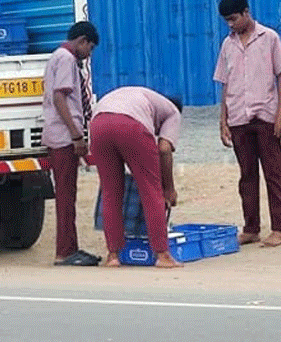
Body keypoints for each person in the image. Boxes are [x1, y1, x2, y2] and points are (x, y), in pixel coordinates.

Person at [213, 0, 281, 248]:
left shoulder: (269, 38)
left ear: (246, 12)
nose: (231, 24)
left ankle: (279, 228)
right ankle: (251, 227)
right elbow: (224, 83)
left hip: (266, 116)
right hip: (238, 117)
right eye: (227, 21)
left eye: (234, 18)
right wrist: (223, 119)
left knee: (273, 174)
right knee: (246, 175)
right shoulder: (227, 45)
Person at [89, 86, 183, 268]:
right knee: (151, 191)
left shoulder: (144, 96)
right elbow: (164, 149)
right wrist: (169, 189)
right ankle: (162, 255)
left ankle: (113, 256)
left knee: (110, 192)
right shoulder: (172, 112)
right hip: (131, 126)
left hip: (99, 124)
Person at [42, 21, 100, 266]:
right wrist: (77, 136)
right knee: (66, 196)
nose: (89, 54)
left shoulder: (59, 56)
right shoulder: (66, 59)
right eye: (91, 48)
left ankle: (71, 247)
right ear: (82, 41)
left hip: (62, 135)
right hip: (64, 137)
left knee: (69, 194)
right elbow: (60, 98)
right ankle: (64, 251)